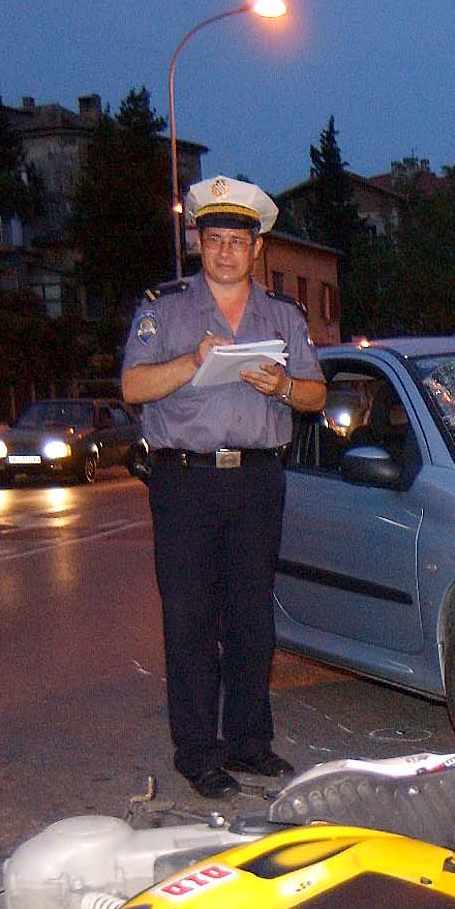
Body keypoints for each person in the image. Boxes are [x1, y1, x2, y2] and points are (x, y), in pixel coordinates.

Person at [120, 175, 323, 800]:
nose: (226, 251)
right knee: (188, 620)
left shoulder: (282, 316)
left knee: (250, 619)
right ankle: (198, 752)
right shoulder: (166, 309)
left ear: (257, 248)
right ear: (198, 243)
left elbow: (316, 395)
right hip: (186, 483)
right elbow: (131, 389)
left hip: (258, 481)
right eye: (214, 240)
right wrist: (193, 363)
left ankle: (248, 742)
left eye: (238, 240)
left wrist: (282, 388)